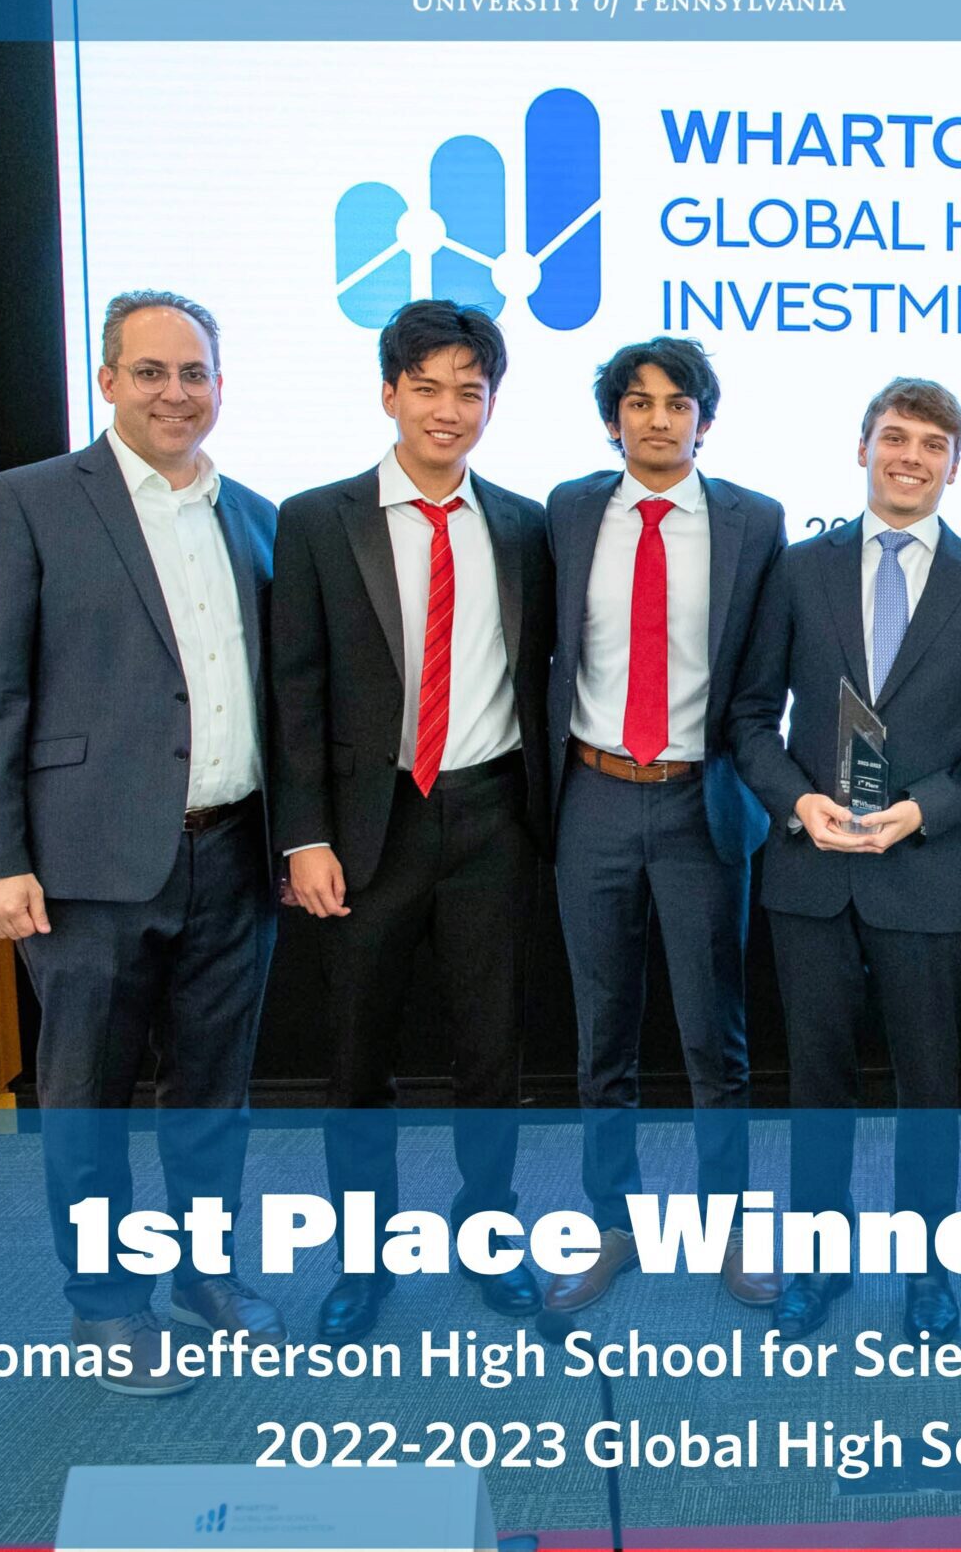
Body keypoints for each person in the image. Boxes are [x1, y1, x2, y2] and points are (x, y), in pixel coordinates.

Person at [0, 289, 282, 1393]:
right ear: (107, 382)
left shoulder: (257, 517)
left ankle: (204, 1275)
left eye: (193, 374)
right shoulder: (32, 502)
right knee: (86, 1098)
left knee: (212, 1094)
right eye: (150, 372)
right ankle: (105, 1303)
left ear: (219, 388)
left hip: (232, 855)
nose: (174, 393)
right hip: (85, 866)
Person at [729, 377, 961, 1343]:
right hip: (811, 873)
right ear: (861, 447)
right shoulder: (797, 568)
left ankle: (926, 1272)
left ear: (956, 464)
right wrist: (796, 802)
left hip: (926, 871)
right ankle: (819, 1269)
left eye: (933, 444)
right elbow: (747, 721)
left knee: (927, 1086)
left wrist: (922, 811)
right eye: (895, 437)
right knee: (817, 1082)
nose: (912, 456)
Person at [269, 300, 554, 1341]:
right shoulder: (315, 519)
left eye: (468, 391)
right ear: (388, 393)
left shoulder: (524, 524)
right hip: (361, 827)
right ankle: (364, 1258)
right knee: (358, 1057)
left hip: (490, 817)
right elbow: (292, 689)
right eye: (426, 388)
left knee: (491, 1052)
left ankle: (489, 1234)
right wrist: (302, 837)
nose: (448, 410)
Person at [541, 337, 786, 1316]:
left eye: (675, 402)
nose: (655, 418)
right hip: (592, 794)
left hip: (700, 799)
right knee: (602, 1033)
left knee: (711, 1035)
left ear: (703, 420)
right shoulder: (564, 513)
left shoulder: (753, 523)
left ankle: (724, 1224)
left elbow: (763, 682)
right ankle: (613, 1224)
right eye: (635, 402)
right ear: (612, 419)